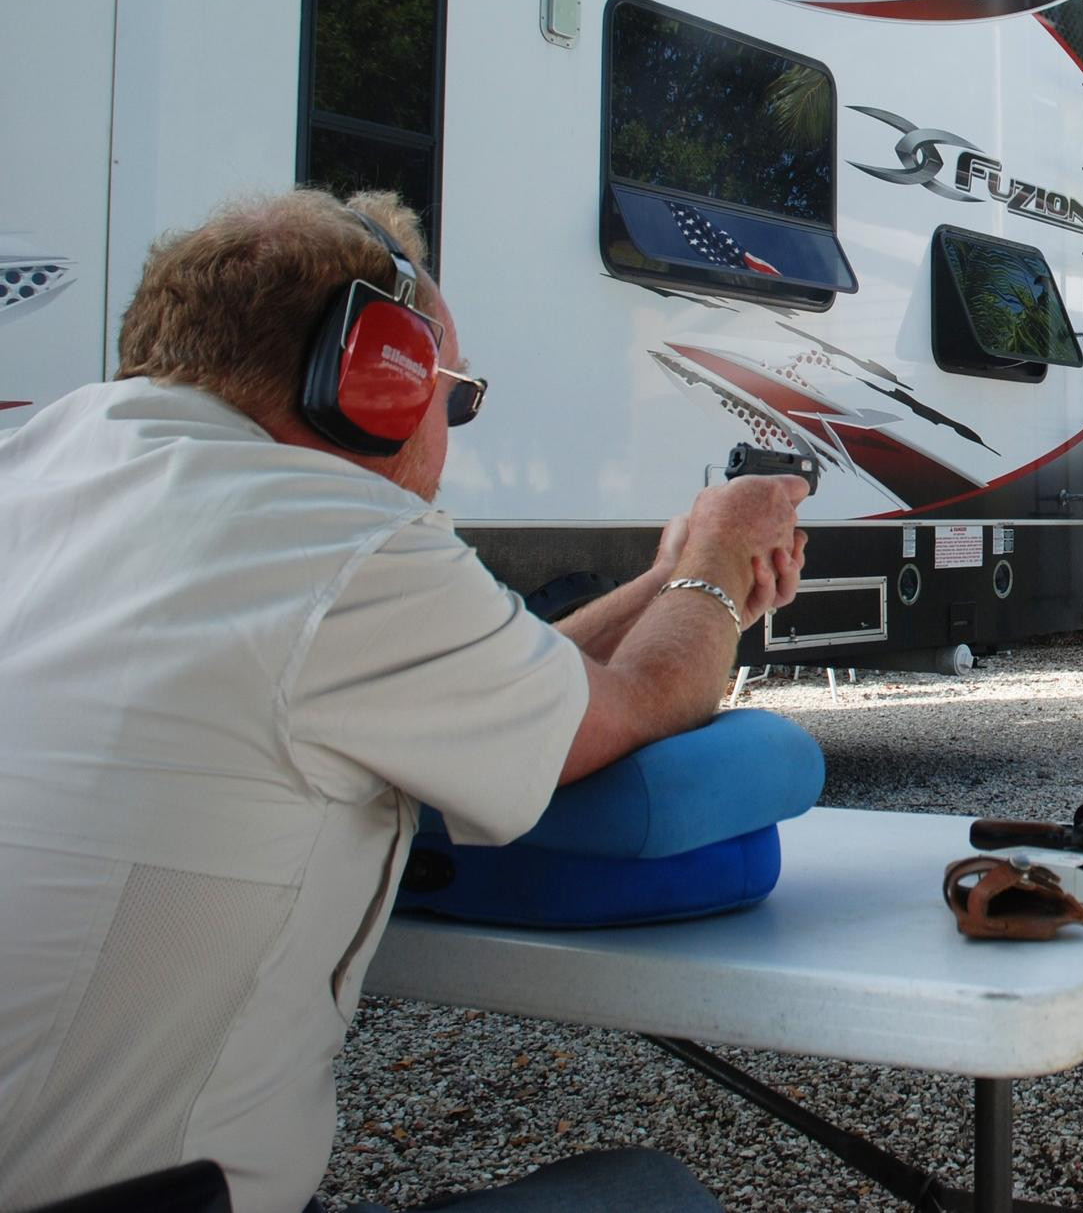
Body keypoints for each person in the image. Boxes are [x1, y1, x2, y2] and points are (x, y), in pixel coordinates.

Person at [0, 191, 808, 1212]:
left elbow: (497, 679)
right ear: (371, 379)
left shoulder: (45, 473)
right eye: (452, 393)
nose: (450, 426)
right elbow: (638, 701)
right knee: (653, 1195)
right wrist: (720, 566)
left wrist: (665, 581)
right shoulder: (335, 539)